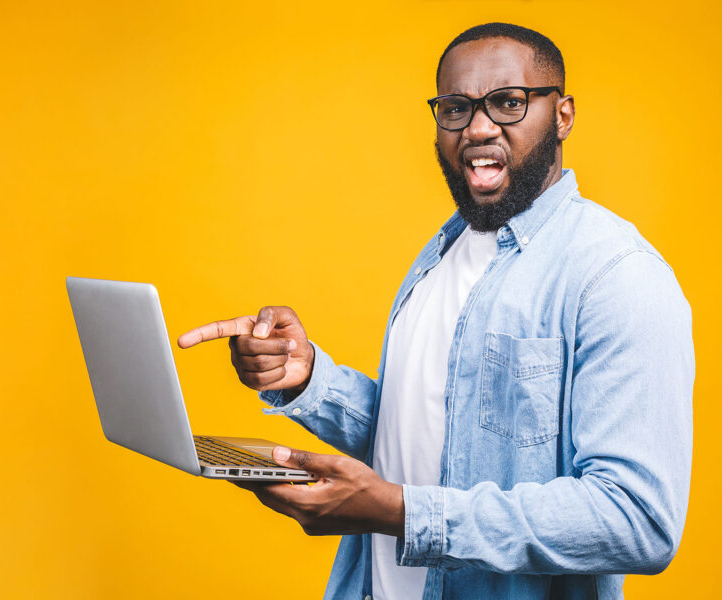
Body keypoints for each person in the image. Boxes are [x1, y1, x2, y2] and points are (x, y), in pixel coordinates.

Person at [178, 22, 694, 600]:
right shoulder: (442, 252)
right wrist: (309, 379)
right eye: (455, 107)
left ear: (563, 115)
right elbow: (429, 433)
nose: (477, 127)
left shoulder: (618, 275)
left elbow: (638, 521)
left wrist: (402, 512)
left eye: (508, 102)